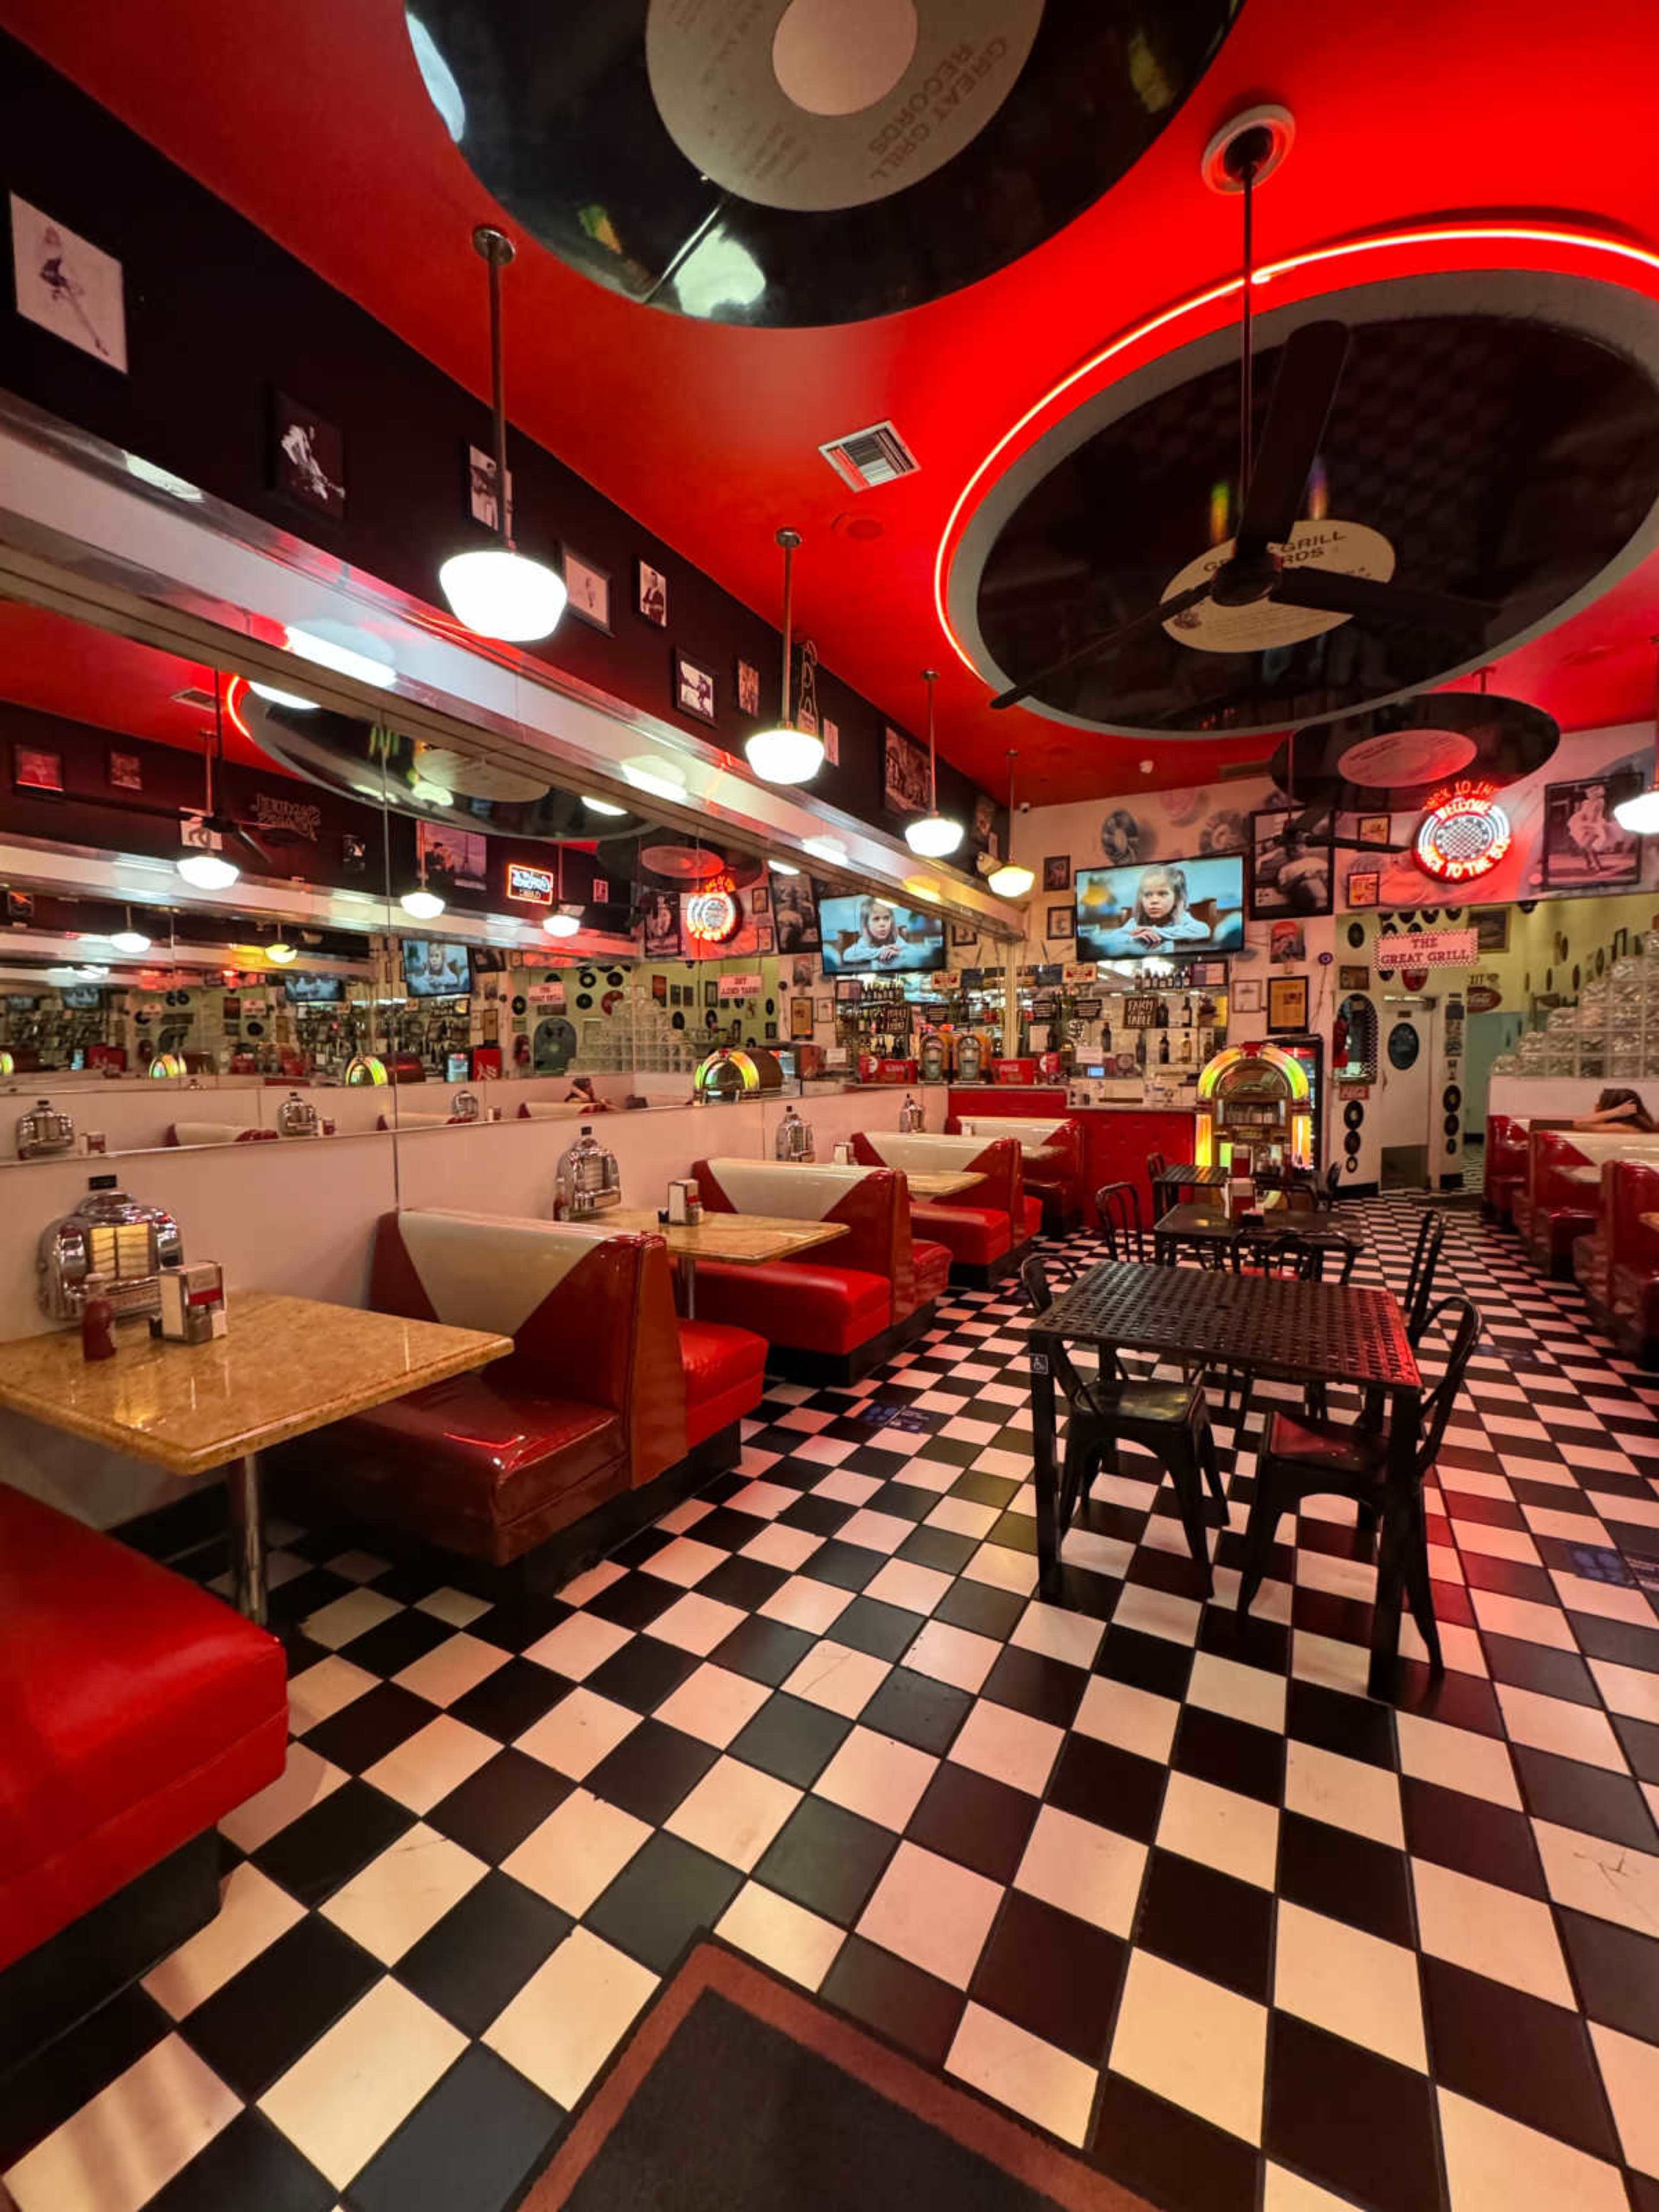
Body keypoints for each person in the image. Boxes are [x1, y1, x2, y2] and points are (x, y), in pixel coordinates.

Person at [1093, 864, 1213, 957]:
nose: (1154, 901)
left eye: (1162, 894)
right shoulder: (1137, 923)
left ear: (1177, 898)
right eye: (1148, 895)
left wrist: (1155, 931)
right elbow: (1102, 940)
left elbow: (1204, 930)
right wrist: (1132, 938)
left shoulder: (1182, 918)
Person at [1573, 1086, 1656, 1133]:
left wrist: (1616, 1112)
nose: (1597, 1105)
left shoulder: (1624, 1128)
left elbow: (1580, 1124)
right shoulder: (1641, 1125)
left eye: (1601, 1103)